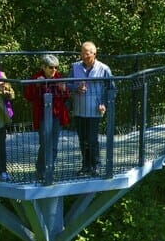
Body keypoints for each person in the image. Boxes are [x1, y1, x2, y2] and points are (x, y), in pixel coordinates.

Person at [68, 41, 115, 176]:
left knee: (92, 139)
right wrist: (76, 88)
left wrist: (104, 104)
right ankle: (85, 166)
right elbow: (67, 84)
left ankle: (96, 165)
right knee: (82, 139)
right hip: (79, 109)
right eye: (82, 53)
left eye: (87, 54)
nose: (84, 56)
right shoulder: (75, 67)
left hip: (95, 110)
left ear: (94, 54)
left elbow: (111, 89)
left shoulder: (104, 68)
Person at [23, 54, 71, 182]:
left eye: (56, 67)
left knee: (54, 145)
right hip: (43, 116)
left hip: (57, 116)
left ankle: (50, 169)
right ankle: (41, 170)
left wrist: (63, 90)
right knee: (45, 144)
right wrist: (37, 86)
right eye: (51, 67)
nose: (54, 70)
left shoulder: (59, 77)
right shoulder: (36, 78)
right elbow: (28, 96)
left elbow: (66, 96)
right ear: (43, 67)